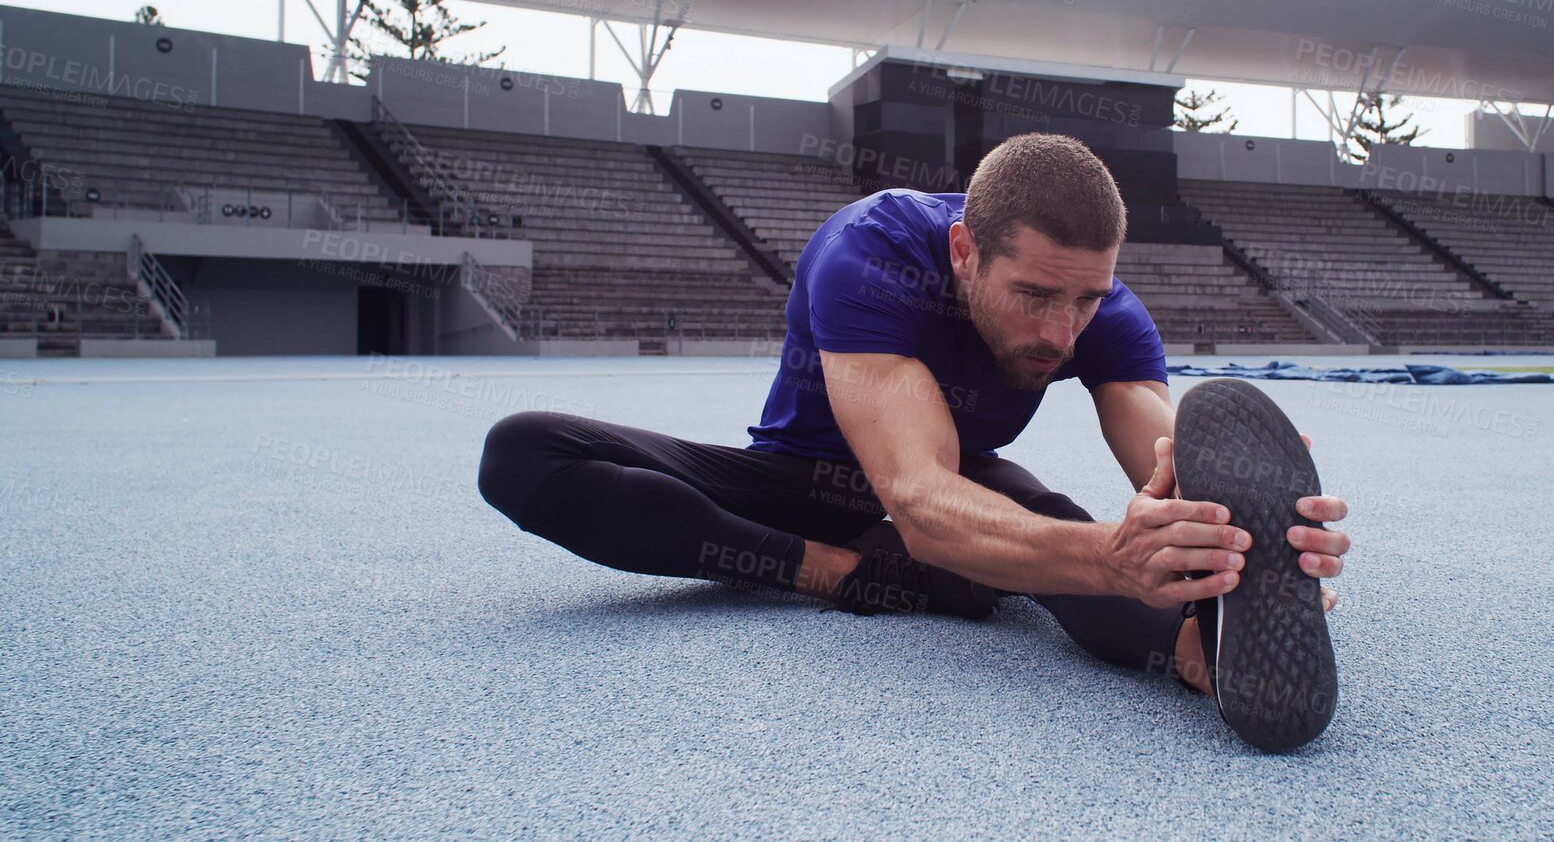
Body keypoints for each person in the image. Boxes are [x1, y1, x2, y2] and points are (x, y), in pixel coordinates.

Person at [475, 133, 1351, 741]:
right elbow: (918, 499)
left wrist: (1225, 521)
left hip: (968, 486)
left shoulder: (1100, 306)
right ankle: (841, 571)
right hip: (805, 483)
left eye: (1086, 299)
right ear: (964, 250)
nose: (1062, 331)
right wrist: (1107, 557)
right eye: (1035, 296)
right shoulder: (868, 255)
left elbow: (1158, 445)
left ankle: (1201, 650)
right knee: (523, 450)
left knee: (1055, 522)